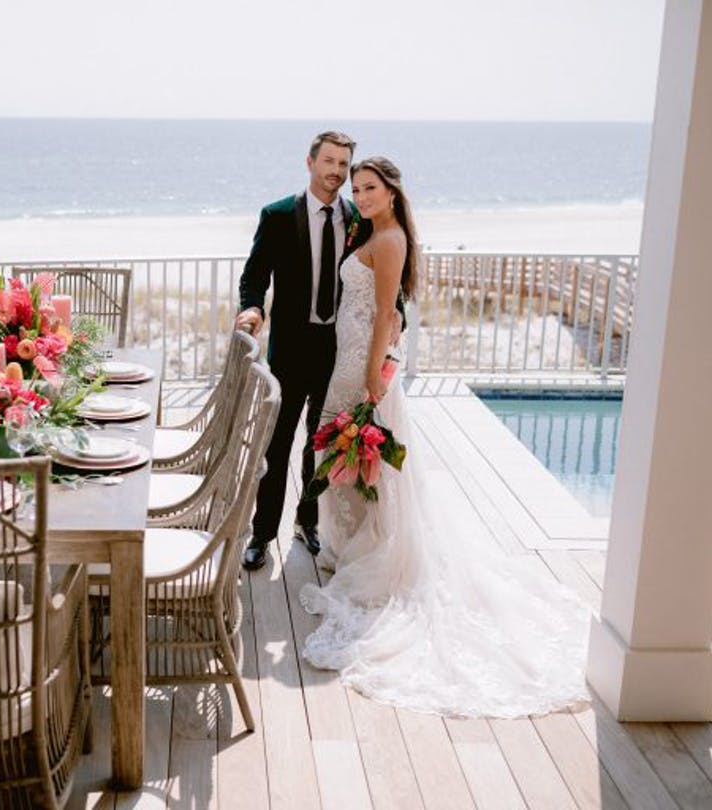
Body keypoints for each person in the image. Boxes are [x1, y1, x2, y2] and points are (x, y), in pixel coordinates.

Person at [299, 157, 589, 717]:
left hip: (362, 360)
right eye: (356, 188)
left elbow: (386, 309)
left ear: (392, 192)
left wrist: (372, 373)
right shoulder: (372, 230)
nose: (360, 195)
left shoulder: (390, 239)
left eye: (370, 188)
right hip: (349, 353)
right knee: (342, 452)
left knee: (361, 455)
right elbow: (387, 306)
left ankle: (372, 550)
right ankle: (352, 545)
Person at [237, 132, 403, 571]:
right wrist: (252, 307)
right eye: (328, 161)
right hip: (290, 347)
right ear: (309, 162)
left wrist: (397, 312)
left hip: (338, 348)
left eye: (343, 164)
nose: (336, 171)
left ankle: (308, 523)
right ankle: (262, 532)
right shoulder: (276, 216)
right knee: (277, 443)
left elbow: (380, 272)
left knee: (323, 441)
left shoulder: (358, 216)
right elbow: (254, 274)